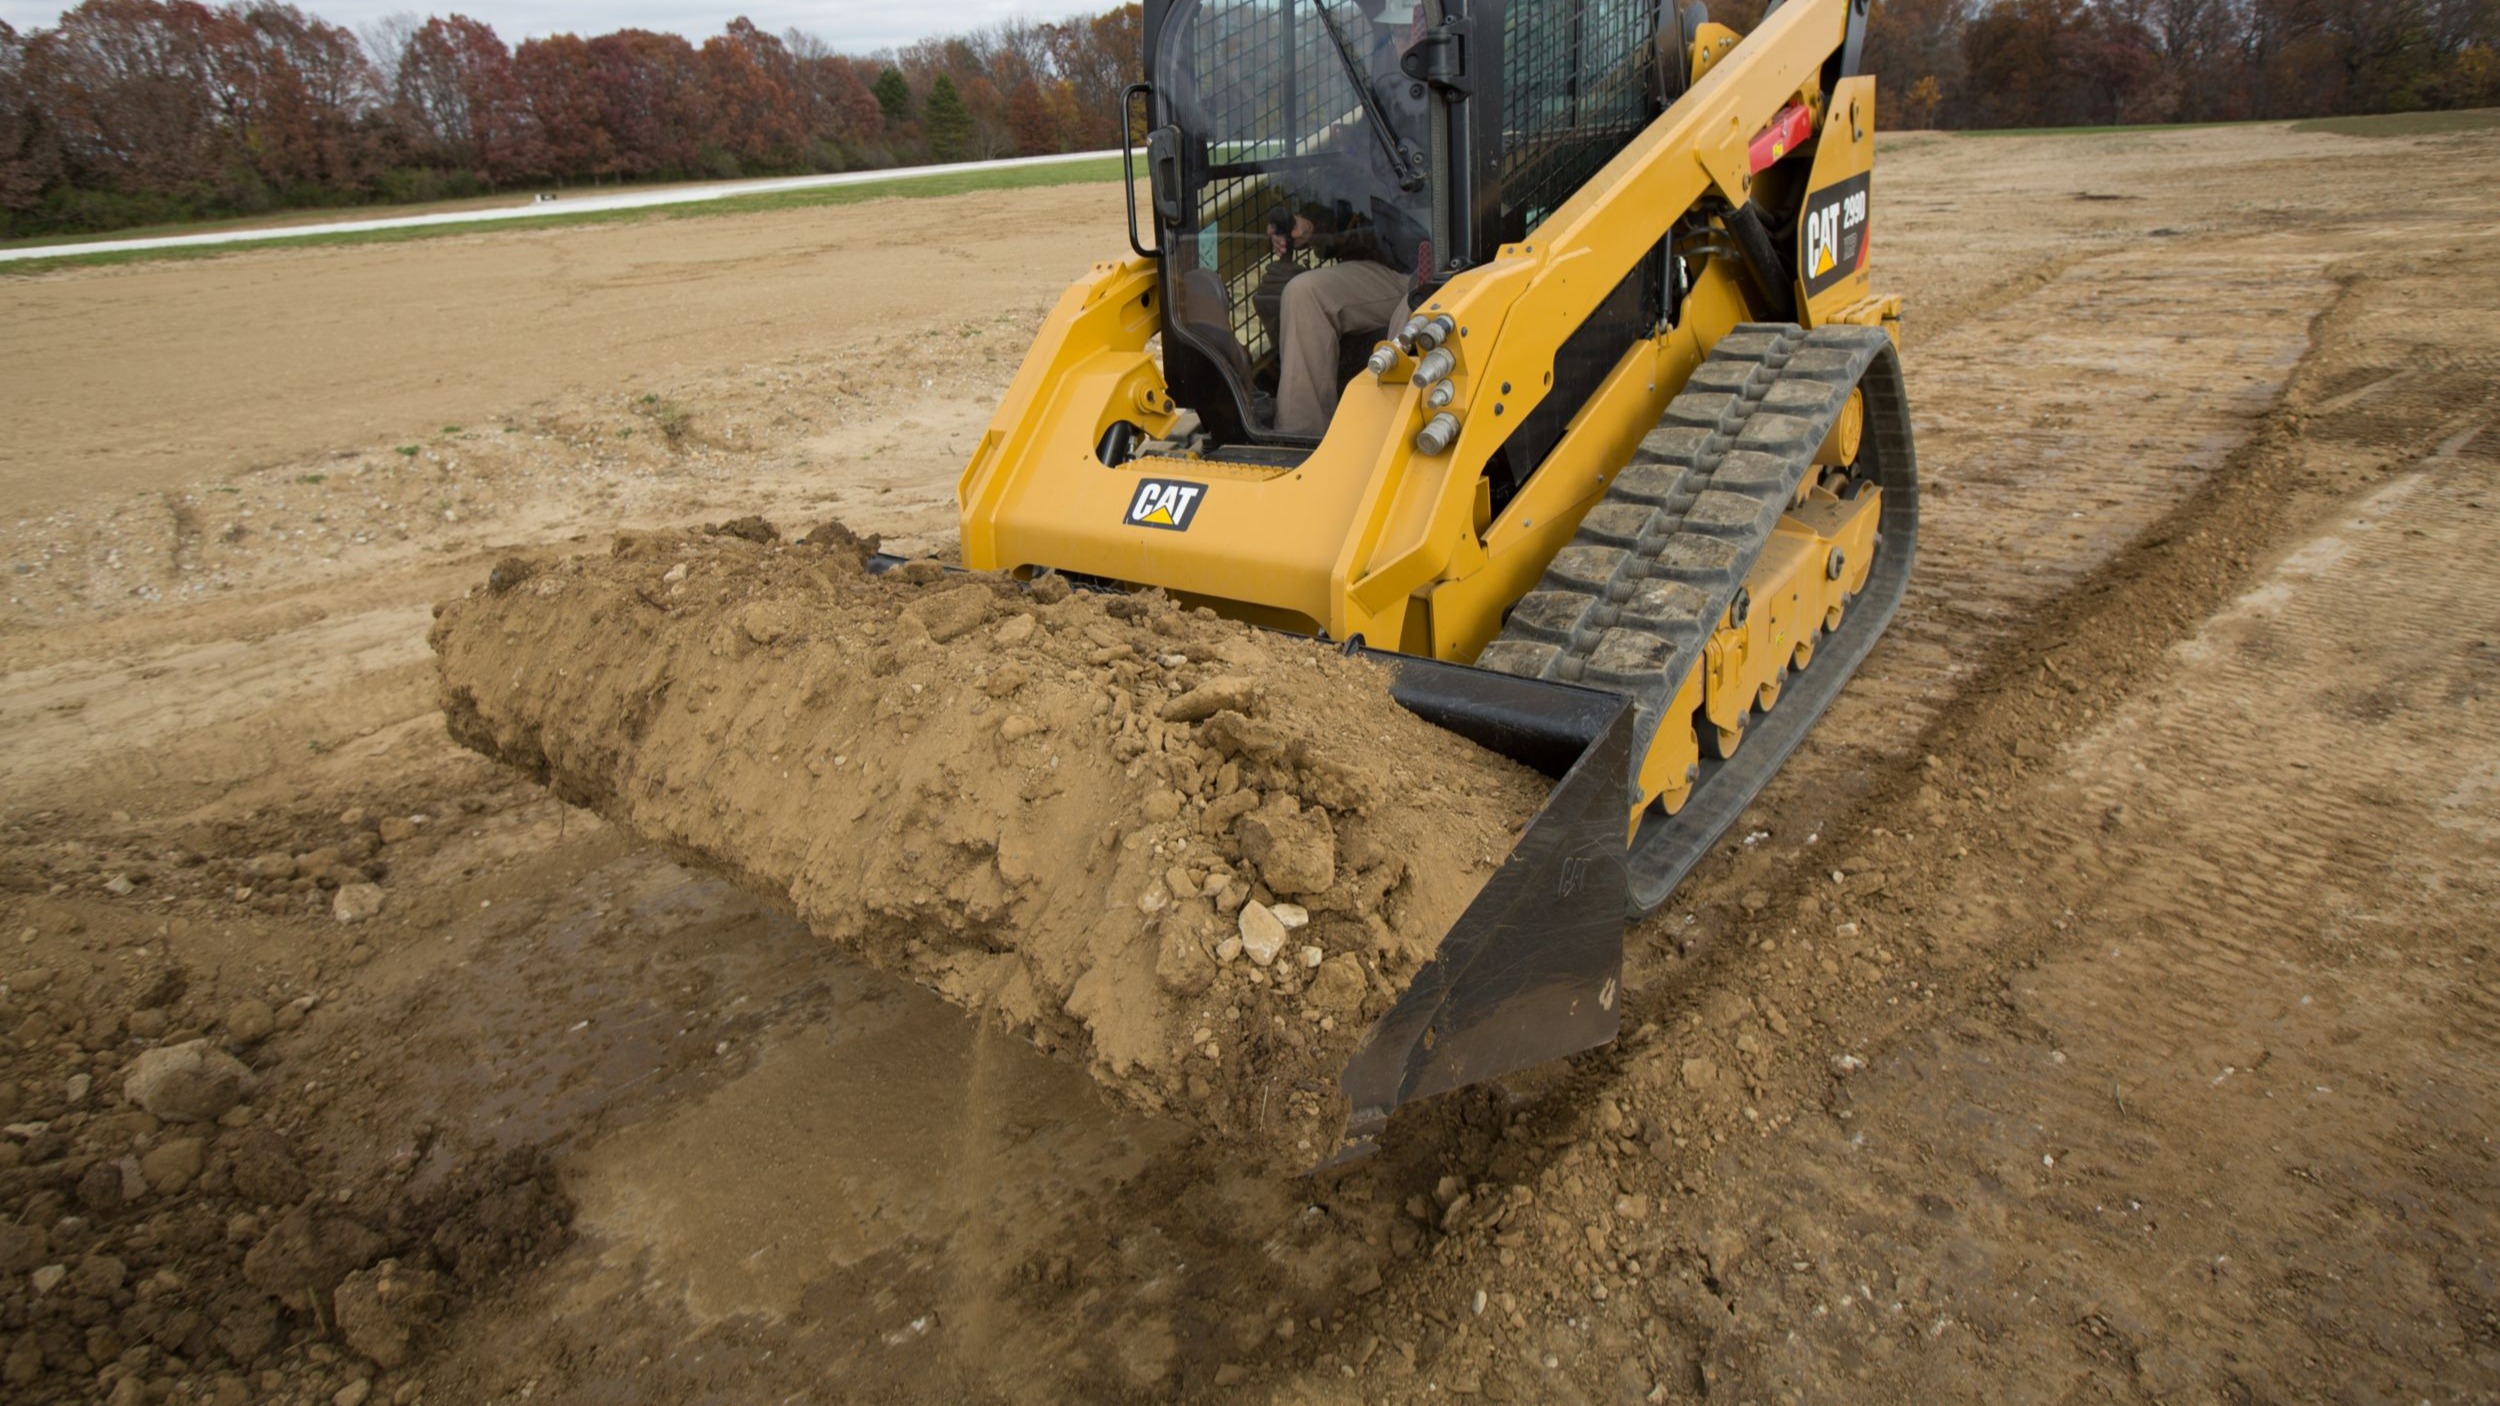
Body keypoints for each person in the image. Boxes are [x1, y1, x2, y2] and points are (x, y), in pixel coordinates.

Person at [1269, 0, 1429, 437]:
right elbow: (1352, 189)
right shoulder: (1379, 116)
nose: (1398, 46)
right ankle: (1301, 439)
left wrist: (1329, 241)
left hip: (1439, 267)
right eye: (1392, 37)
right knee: (1303, 293)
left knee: (1410, 321)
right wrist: (1312, 224)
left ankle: (1386, 449)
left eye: (1406, 35)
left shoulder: (1447, 112)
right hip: (1387, 265)